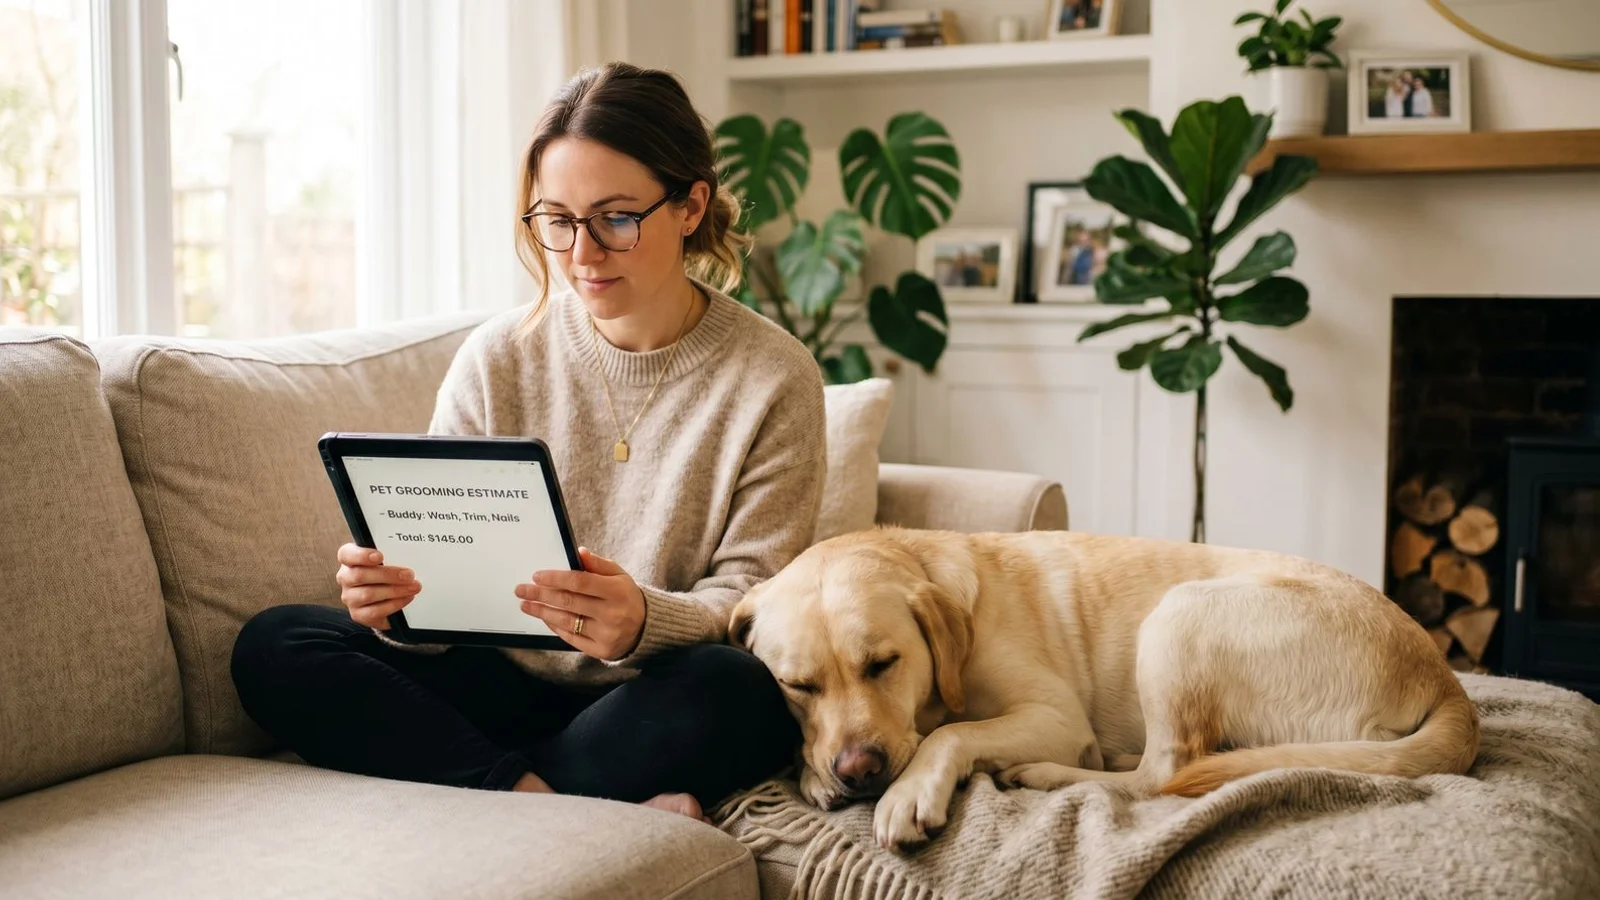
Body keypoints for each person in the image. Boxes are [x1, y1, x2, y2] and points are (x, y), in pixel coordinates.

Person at [229, 62, 827, 823]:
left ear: (690, 206)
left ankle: (493, 785)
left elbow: (756, 602)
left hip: (649, 691)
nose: (582, 255)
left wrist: (643, 622)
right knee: (275, 644)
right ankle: (543, 801)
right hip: (497, 682)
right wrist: (397, 608)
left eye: (615, 219)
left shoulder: (775, 376)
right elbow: (441, 569)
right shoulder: (498, 355)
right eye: (557, 220)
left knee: (737, 690)